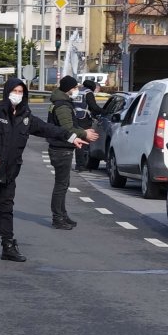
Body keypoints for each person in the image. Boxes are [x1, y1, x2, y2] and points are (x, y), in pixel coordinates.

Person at [0, 78, 97, 263]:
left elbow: (47, 128)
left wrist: (70, 137)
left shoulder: (25, 115)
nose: (18, 95)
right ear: (7, 92)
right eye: (15, 91)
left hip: (9, 171)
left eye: (21, 92)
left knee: (7, 210)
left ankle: (8, 247)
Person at [46, 75, 96, 229]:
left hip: (63, 147)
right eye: (75, 88)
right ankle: (57, 218)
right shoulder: (62, 106)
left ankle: (62, 214)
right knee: (61, 185)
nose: (77, 90)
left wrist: (82, 132)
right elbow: (67, 128)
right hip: (60, 149)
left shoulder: (63, 103)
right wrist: (85, 133)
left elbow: (69, 126)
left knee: (64, 183)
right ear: (69, 89)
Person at [72, 79, 106, 171]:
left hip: (75, 118)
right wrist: (104, 112)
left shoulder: (78, 91)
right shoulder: (88, 93)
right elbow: (93, 107)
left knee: (78, 141)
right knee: (84, 142)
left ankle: (79, 164)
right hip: (84, 119)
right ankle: (81, 165)